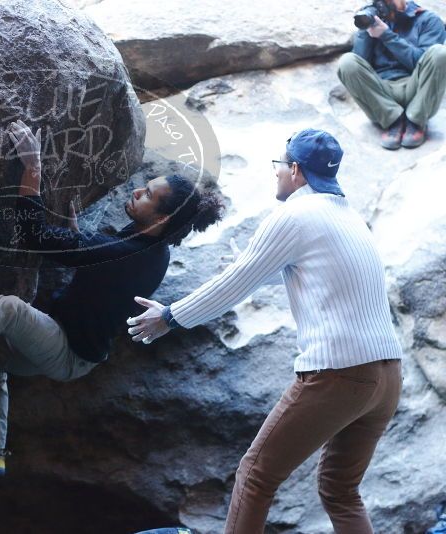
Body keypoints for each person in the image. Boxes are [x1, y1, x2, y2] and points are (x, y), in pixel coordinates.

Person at [0, 120, 224, 476]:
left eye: (147, 195)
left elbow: (33, 235)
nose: (136, 191)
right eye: (144, 186)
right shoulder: (154, 250)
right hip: (74, 347)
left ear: (161, 220)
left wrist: (32, 167)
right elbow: (105, 274)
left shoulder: (126, 251)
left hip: (67, 351)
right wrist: (79, 242)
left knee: (9, 310)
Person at [127, 129, 403, 533]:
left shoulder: (295, 214)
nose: (276, 175)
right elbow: (288, 272)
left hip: (339, 375)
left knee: (255, 475)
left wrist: (170, 316)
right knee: (341, 490)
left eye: (279, 166)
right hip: (386, 378)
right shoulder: (347, 216)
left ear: (295, 170)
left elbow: (237, 282)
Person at [337, 0, 446, 149]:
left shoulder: (428, 20)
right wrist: (365, 30)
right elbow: (359, 65)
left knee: (440, 52)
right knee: (347, 62)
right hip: (382, 93)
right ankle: (392, 120)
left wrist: (386, 36)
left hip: (417, 89)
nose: (383, 4)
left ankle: (416, 120)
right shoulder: (374, 19)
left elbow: (425, 61)